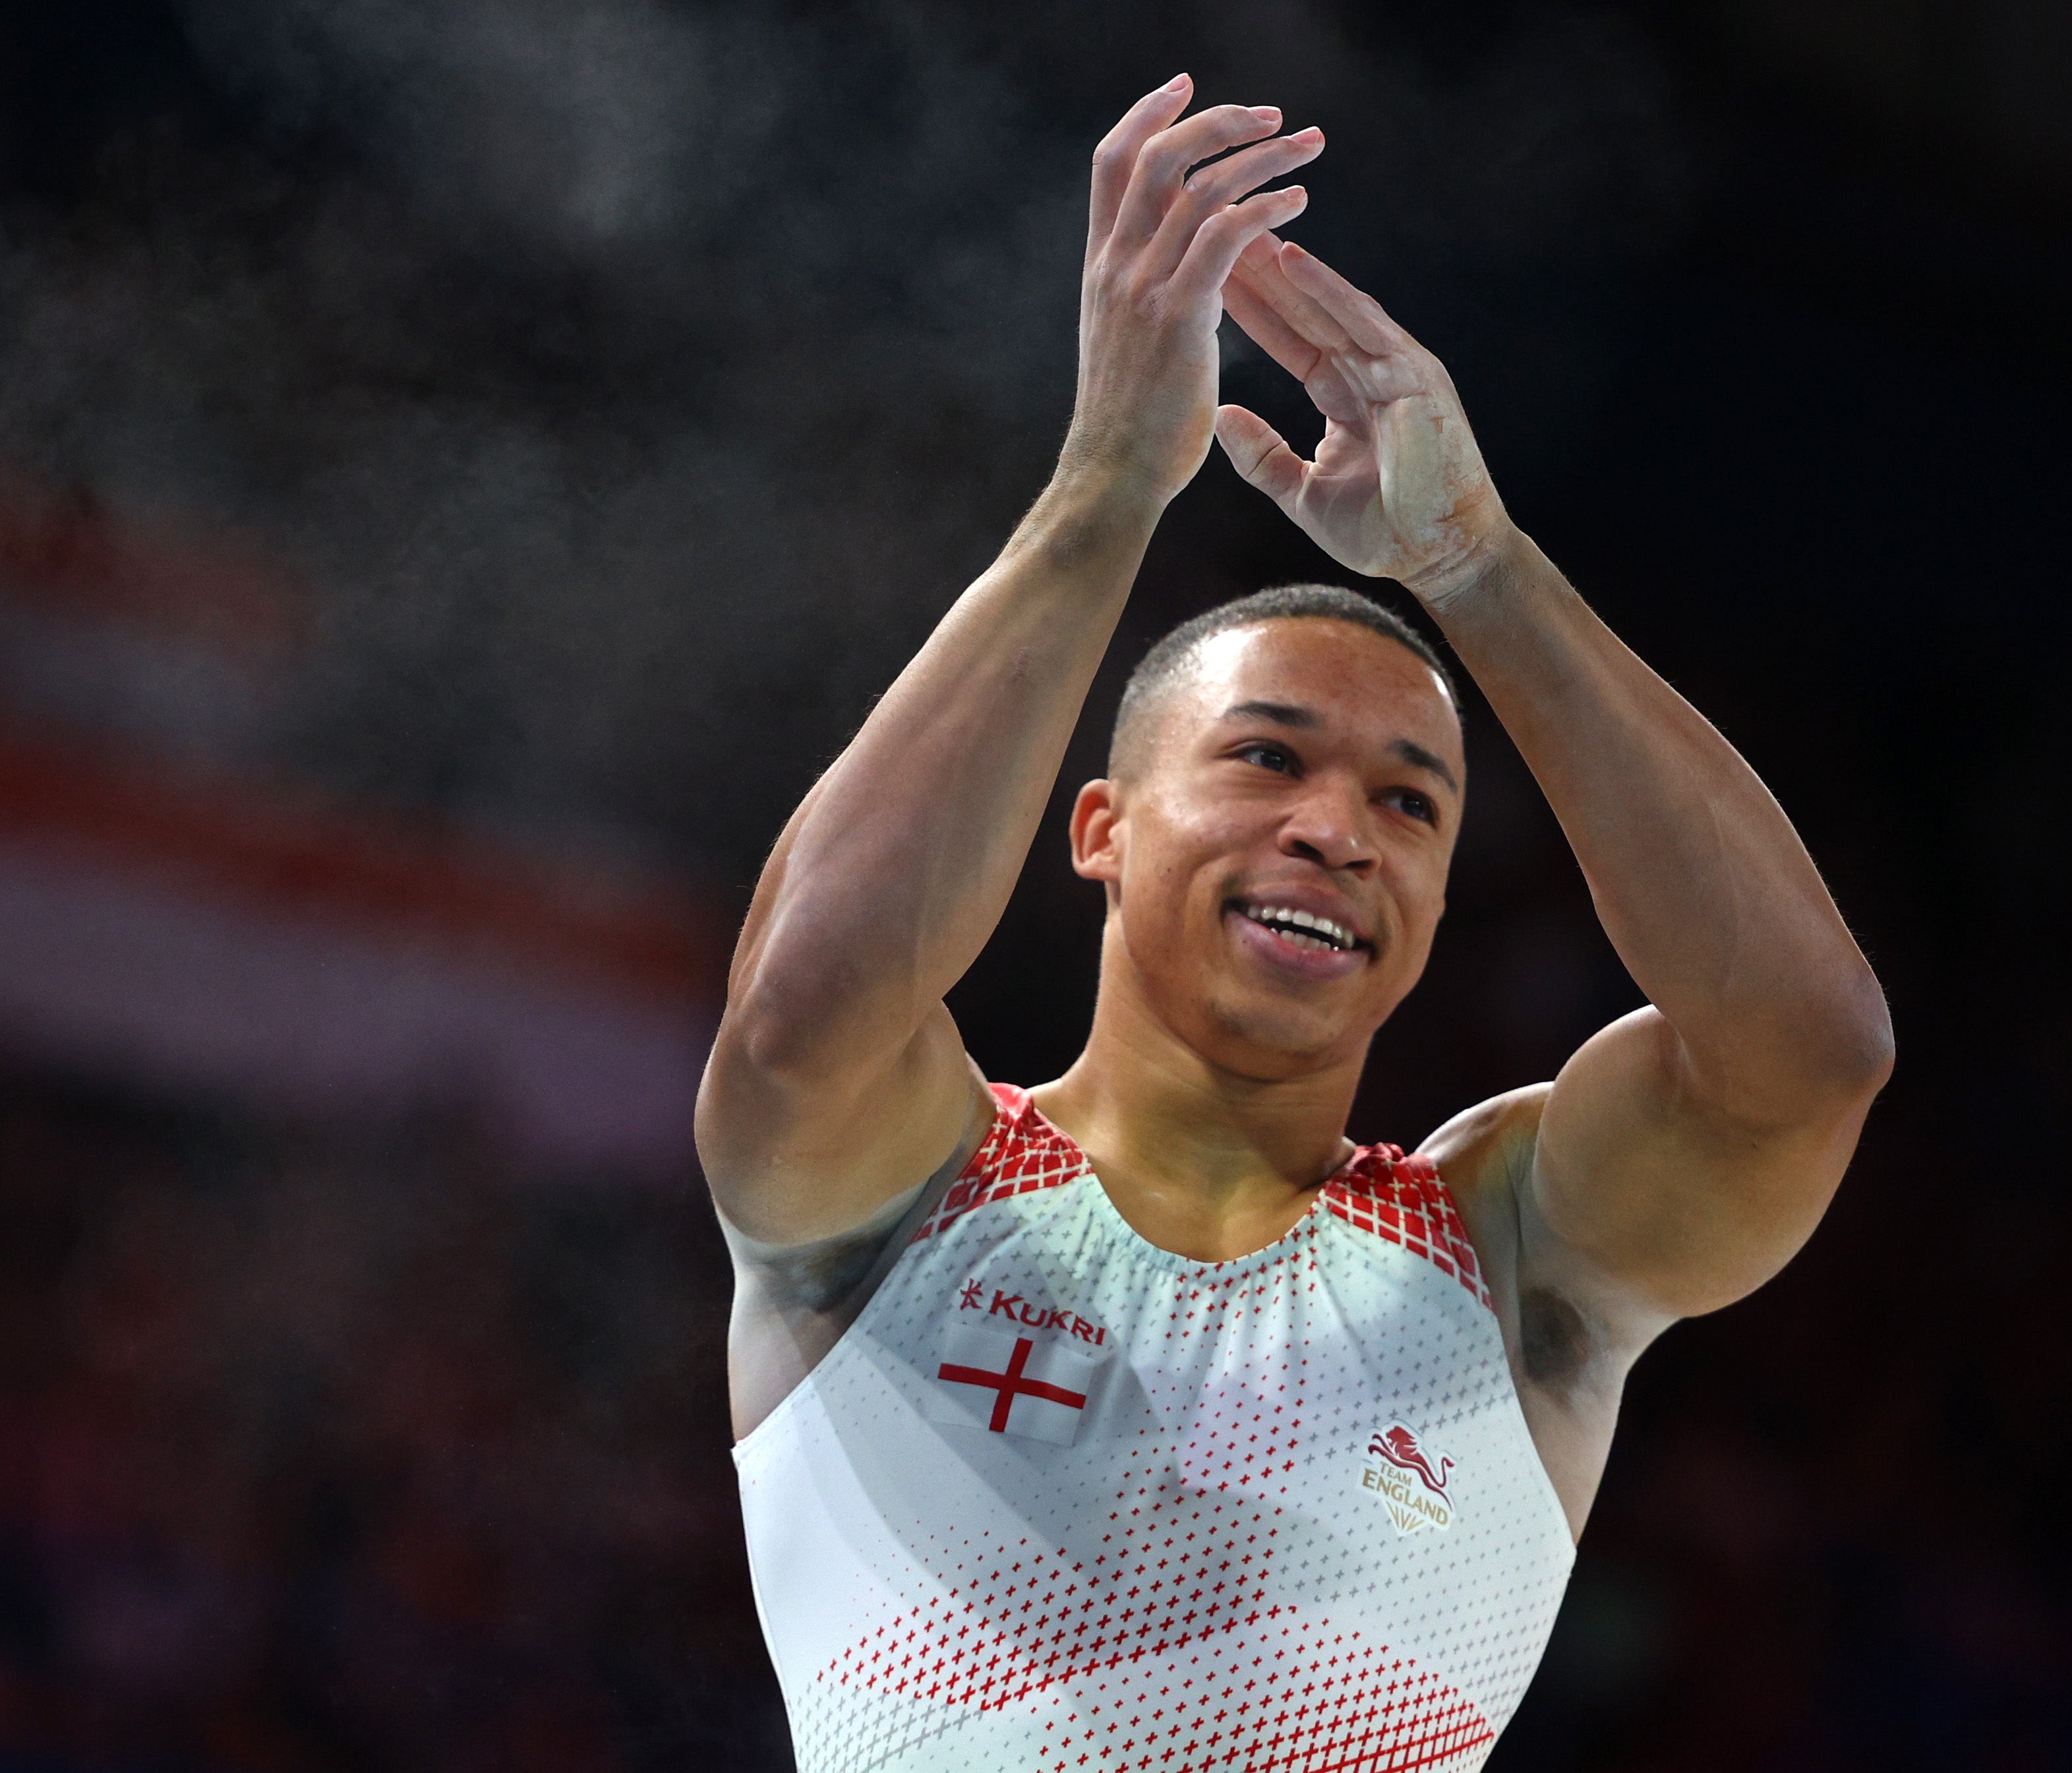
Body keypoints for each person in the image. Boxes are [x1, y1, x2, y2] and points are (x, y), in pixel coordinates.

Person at [696, 74, 1893, 1772]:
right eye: (1268, 760)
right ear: (1097, 830)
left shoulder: (1501, 1270)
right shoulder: (902, 1194)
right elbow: (804, 1002)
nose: (1336, 829)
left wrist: (1480, 565)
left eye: (1411, 803)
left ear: (1434, 905)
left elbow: (1809, 1055)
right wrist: (1107, 487)